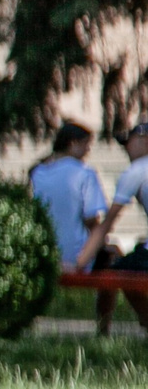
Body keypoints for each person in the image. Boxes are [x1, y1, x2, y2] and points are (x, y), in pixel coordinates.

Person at [87, 120, 148, 333]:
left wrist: (82, 260)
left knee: (114, 271)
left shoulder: (138, 169)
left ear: (144, 140)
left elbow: (108, 222)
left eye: (128, 143)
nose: (125, 149)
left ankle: (104, 331)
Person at [31, 122, 109, 271]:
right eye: (86, 144)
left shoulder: (38, 173)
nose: (88, 150)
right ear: (72, 143)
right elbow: (91, 219)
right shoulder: (84, 173)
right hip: (78, 256)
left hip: (45, 253)